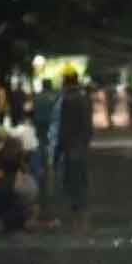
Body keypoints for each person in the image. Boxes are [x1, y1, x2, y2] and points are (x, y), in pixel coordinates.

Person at [49, 69, 93, 233]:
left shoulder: (66, 100)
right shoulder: (84, 98)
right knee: (81, 180)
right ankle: (82, 217)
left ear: (66, 81)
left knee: (71, 181)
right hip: (80, 146)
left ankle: (76, 219)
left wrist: (57, 150)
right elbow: (88, 126)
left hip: (69, 146)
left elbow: (63, 127)